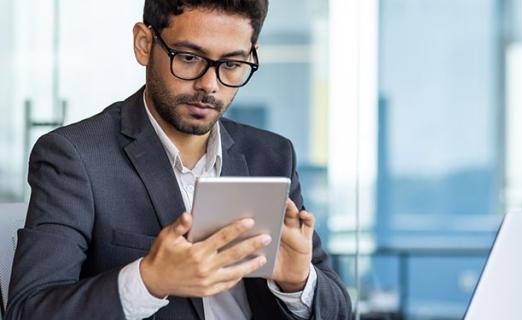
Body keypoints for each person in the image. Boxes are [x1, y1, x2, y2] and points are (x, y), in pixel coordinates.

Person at [6, 1, 351, 319]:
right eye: (188, 57)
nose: (209, 85)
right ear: (144, 43)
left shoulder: (272, 155)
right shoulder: (75, 156)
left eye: (231, 64)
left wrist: (299, 283)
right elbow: (30, 309)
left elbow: (339, 307)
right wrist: (148, 281)